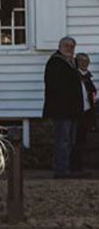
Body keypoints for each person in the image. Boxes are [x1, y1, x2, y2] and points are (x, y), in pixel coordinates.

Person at [43, 36, 83, 179]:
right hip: (62, 110)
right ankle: (61, 170)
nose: (69, 49)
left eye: (72, 47)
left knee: (70, 141)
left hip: (71, 110)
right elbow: (57, 87)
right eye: (66, 46)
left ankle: (68, 168)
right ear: (60, 47)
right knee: (63, 140)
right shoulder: (56, 63)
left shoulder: (71, 63)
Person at [72, 52, 95, 177]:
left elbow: (91, 94)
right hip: (77, 112)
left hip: (87, 112)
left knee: (82, 141)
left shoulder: (87, 77)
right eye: (81, 61)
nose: (84, 64)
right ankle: (74, 167)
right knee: (75, 141)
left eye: (86, 62)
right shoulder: (74, 77)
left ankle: (79, 167)